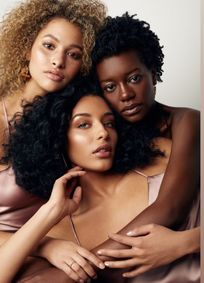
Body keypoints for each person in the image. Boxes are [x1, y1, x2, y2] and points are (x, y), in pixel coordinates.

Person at [0, 78, 199, 283]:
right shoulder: (59, 233)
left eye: (109, 123)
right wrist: (48, 213)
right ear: (57, 138)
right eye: (83, 124)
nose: (103, 133)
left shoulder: (161, 156)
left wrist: (186, 242)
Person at [0, 0, 107, 279]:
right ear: (26, 48)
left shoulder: (78, 120)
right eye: (49, 46)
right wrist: (47, 247)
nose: (58, 61)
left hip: (57, 261)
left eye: (74, 54)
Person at [88, 12, 200, 279]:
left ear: (154, 72)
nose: (125, 94)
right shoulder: (106, 138)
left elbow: (171, 208)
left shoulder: (188, 121)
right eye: (110, 86)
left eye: (134, 78)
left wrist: (79, 271)